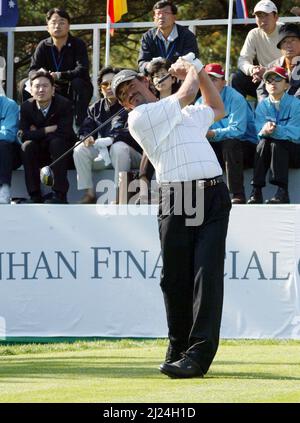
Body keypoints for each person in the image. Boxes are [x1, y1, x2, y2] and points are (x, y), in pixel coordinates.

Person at [111, 54, 231, 379]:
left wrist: (201, 71)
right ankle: (178, 346)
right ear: (124, 105)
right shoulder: (140, 118)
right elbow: (186, 93)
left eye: (132, 86)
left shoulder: (186, 114)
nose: (129, 95)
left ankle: (197, 356)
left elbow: (217, 107)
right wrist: (191, 68)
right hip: (178, 197)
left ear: (146, 82)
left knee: (206, 275)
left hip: (213, 195)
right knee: (175, 278)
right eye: (123, 95)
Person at [73, 66, 142, 204]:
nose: (109, 87)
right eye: (105, 84)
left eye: (113, 83)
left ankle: (120, 195)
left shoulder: (131, 104)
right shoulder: (95, 108)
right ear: (100, 88)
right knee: (79, 148)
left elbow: (126, 132)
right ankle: (89, 193)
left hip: (131, 154)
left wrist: (111, 139)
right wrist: (86, 137)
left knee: (119, 146)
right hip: (106, 154)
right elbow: (85, 128)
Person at [197, 63, 257, 204]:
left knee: (230, 143)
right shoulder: (199, 103)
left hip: (246, 148)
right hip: (219, 148)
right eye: (206, 79)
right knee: (197, 147)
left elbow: (237, 131)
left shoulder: (236, 98)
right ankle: (204, 196)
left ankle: (237, 193)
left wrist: (211, 133)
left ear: (224, 82)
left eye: (214, 79)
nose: (209, 83)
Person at [24, 8, 93, 126]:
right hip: (51, 86)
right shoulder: (43, 45)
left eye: (62, 22)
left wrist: (60, 75)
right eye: (53, 23)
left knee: (78, 83)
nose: (57, 26)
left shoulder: (78, 44)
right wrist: (42, 76)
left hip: (72, 85)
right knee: (24, 84)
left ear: (68, 26)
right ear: (47, 27)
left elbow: (82, 69)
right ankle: (30, 124)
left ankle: (80, 126)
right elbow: (32, 69)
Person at [19, 69, 75, 204]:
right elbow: (24, 135)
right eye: (37, 86)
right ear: (31, 90)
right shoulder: (26, 107)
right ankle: (34, 195)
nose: (41, 90)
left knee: (57, 142)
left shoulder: (64, 104)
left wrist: (36, 132)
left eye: (45, 86)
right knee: (27, 146)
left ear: (53, 89)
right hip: (39, 151)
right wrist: (46, 130)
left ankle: (59, 194)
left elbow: (65, 132)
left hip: (62, 151)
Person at [248, 66, 300, 204]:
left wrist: (275, 129)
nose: (273, 83)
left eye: (278, 79)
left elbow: (296, 133)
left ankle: (282, 191)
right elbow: (257, 133)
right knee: (264, 143)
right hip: (270, 150)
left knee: (277, 143)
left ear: (287, 84)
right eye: (269, 80)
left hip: (295, 151)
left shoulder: (296, 104)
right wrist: (264, 131)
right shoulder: (262, 105)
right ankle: (256, 190)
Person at [138, 57, 181, 203]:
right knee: (150, 143)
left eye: (163, 76)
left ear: (173, 79)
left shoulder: (180, 99)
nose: (159, 80)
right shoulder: (149, 103)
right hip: (155, 145)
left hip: (177, 141)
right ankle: (144, 189)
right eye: (156, 77)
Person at [231, 0, 282, 98]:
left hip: (284, 79)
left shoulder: (286, 31)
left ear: (276, 17)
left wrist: (267, 71)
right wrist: (253, 70)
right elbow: (243, 60)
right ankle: (240, 112)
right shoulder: (254, 34)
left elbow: (292, 63)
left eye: (266, 15)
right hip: (263, 79)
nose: (263, 19)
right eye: (259, 16)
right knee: (236, 78)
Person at [138, 1, 199, 74]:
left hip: (179, 78)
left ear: (174, 17)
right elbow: (142, 63)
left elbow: (192, 60)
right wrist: (149, 66)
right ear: (154, 18)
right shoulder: (147, 37)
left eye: (165, 13)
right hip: (156, 78)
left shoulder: (187, 35)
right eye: (158, 14)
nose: (161, 16)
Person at [257, 23, 300, 100]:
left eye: (293, 40)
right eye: (284, 41)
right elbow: (262, 91)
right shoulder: (272, 66)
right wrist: (265, 107)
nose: (289, 45)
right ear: (280, 47)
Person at [0, 96, 20, 204]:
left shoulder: (9, 105)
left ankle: (4, 189)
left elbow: (9, 135)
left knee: (2, 144)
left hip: (11, 155)